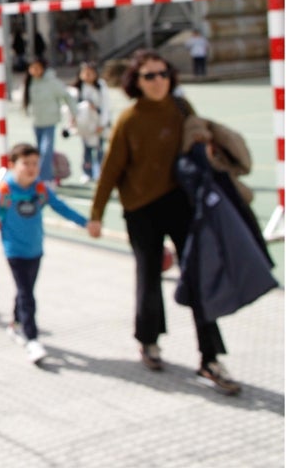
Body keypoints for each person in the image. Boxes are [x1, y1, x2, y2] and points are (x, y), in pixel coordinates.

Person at [86, 50, 240, 395]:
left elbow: (200, 149)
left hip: (181, 205)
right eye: (149, 76)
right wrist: (95, 215)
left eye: (163, 74)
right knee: (149, 274)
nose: (158, 81)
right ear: (135, 83)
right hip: (140, 208)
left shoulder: (182, 110)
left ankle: (211, 357)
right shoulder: (129, 119)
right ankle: (149, 339)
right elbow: (111, 169)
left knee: (199, 276)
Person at [0, 142, 88, 364]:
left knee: (24, 290)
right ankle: (32, 340)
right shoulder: (5, 191)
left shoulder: (39, 190)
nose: (31, 168)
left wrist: (85, 222)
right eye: (25, 163)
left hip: (35, 249)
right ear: (11, 165)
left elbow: (60, 207)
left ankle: (15, 324)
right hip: (14, 251)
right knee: (27, 293)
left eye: (35, 164)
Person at [23, 58, 75, 184]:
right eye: (32, 68)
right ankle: (49, 173)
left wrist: (74, 114)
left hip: (50, 121)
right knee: (40, 152)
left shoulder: (52, 82)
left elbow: (66, 96)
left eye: (37, 68)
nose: (35, 71)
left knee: (46, 150)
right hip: (37, 121)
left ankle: (45, 179)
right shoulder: (30, 83)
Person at [70, 62, 111, 182]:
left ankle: (101, 172)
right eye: (85, 73)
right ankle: (87, 172)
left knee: (99, 149)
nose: (88, 75)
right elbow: (71, 108)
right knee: (86, 149)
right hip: (84, 124)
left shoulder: (101, 87)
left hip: (98, 123)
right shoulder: (77, 89)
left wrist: (102, 124)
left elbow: (106, 106)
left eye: (90, 73)